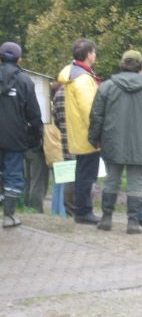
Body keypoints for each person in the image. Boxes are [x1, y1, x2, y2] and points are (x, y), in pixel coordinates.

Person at [89, 50, 142, 234]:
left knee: (111, 180)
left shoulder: (107, 87)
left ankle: (106, 218)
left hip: (112, 142)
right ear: (141, 66)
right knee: (136, 185)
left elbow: (96, 116)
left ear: (122, 64)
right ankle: (133, 222)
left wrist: (94, 138)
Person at [57, 38, 101, 225]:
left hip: (79, 134)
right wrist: (97, 134)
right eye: (94, 52)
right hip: (87, 136)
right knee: (86, 176)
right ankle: (84, 212)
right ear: (89, 55)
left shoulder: (74, 75)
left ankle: (82, 210)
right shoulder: (82, 78)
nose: (95, 55)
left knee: (82, 173)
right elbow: (89, 110)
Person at [0, 41, 43, 227]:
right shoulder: (25, 82)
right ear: (19, 60)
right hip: (15, 138)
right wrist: (36, 137)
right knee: (13, 176)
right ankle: (9, 216)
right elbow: (34, 114)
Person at [52, 83, 76, 216]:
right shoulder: (79, 90)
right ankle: (77, 209)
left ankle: (67, 210)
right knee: (81, 176)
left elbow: (56, 119)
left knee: (68, 179)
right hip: (80, 142)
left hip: (66, 142)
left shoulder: (59, 93)